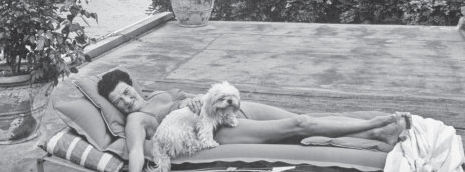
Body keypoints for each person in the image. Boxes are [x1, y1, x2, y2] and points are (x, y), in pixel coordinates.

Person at [97, 69, 411, 172]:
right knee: (301, 126)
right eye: (118, 103)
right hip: (219, 127)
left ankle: (380, 131)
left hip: (232, 107)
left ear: (133, 85)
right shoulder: (136, 118)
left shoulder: (157, 95)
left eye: (126, 92)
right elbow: (137, 149)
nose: (126, 101)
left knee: (308, 118)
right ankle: (375, 127)